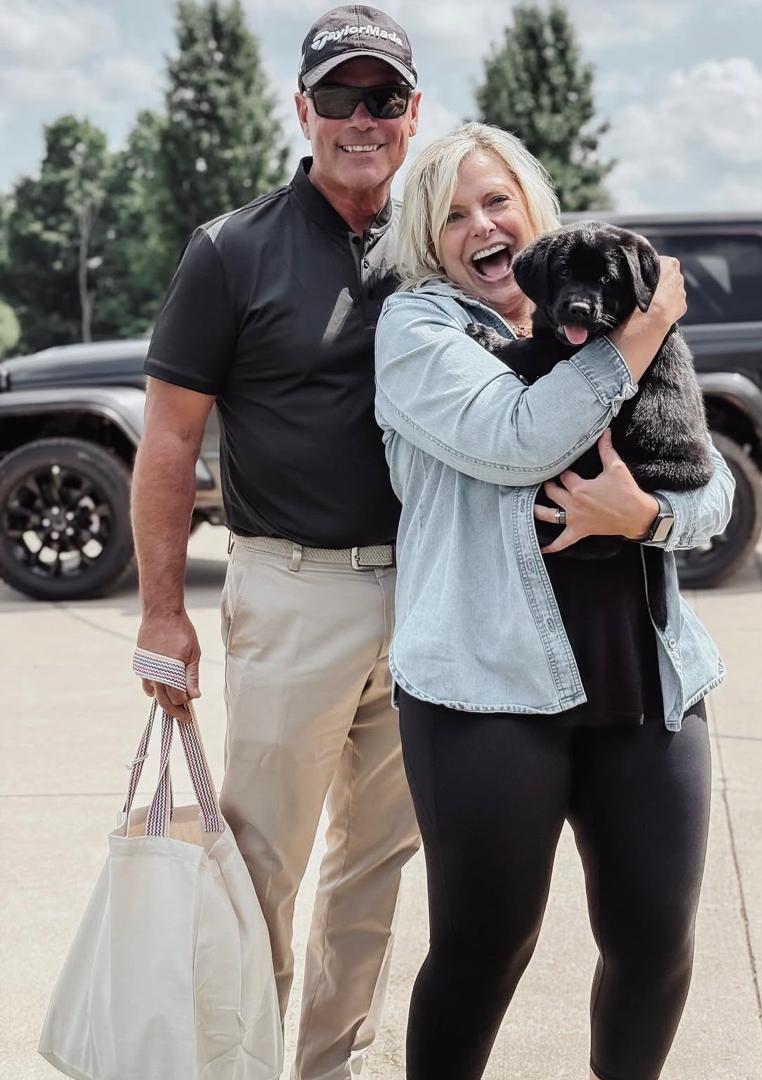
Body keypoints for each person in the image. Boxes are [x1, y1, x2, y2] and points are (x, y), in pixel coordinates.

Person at [374, 123, 735, 1080]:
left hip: (644, 677)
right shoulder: (420, 331)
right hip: (483, 690)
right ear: (427, 237)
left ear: (534, 211)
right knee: (485, 950)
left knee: (654, 944)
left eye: (496, 202)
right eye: (451, 215)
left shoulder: (604, 297)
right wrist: (647, 328)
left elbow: (713, 490)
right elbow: (522, 435)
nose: (479, 227)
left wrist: (645, 514)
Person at [131, 8, 424, 1079]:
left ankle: (327, 1065)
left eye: (382, 98)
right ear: (302, 109)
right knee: (262, 863)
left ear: (410, 114)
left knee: (377, 867)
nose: (360, 117)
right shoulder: (231, 250)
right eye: (338, 97)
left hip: (427, 595)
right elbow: (168, 441)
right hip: (291, 590)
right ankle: (240, 1062)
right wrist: (162, 614)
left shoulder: (432, 240)